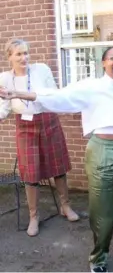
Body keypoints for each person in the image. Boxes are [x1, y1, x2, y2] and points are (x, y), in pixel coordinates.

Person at [0, 46, 113, 273]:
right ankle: (98, 259)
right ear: (104, 63)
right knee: (103, 211)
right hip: (101, 151)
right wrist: (18, 94)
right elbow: (56, 96)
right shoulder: (91, 86)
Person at [0, 39, 79, 237]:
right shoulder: (4, 79)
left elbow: (51, 94)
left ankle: (65, 206)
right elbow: (4, 108)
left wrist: (21, 94)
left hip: (48, 120)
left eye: (26, 53)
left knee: (58, 168)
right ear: (9, 57)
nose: (24, 57)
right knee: (30, 172)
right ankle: (33, 217)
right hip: (25, 126)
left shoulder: (41, 69)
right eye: (18, 54)